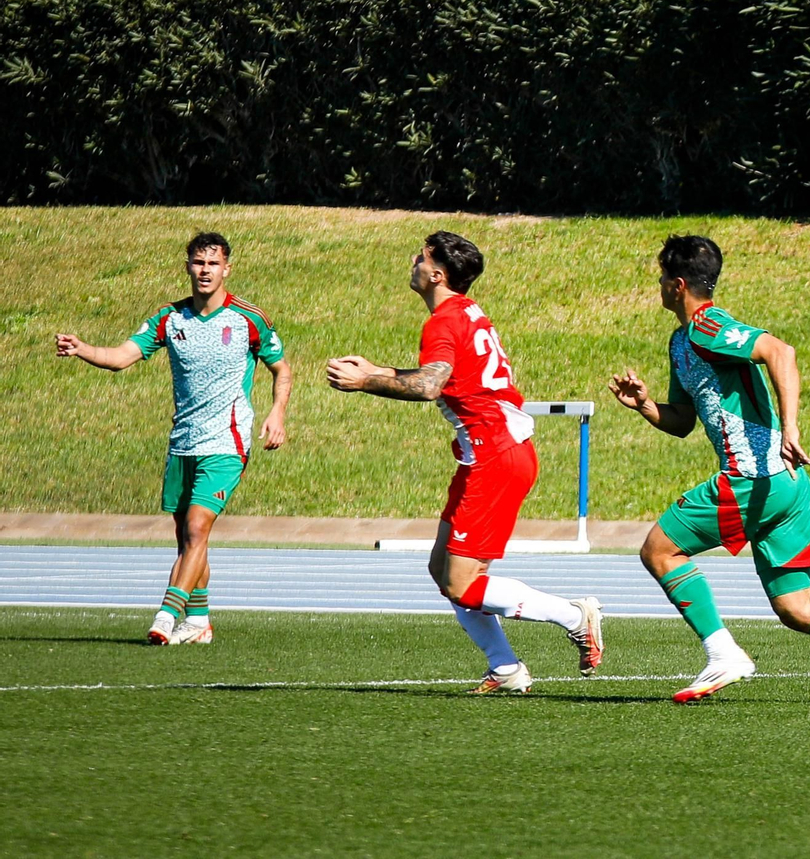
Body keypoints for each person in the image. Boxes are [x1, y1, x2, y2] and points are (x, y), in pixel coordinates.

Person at [609, 234, 810, 705]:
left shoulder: (708, 326)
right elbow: (682, 421)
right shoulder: (681, 341)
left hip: (754, 478)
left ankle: (723, 654)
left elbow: (780, 352)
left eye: (663, 278)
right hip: (786, 487)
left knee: (660, 551)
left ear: (678, 285)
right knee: (796, 608)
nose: (659, 286)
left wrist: (791, 428)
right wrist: (645, 406)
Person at [326, 231, 602, 693]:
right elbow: (453, 379)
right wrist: (379, 369)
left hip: (496, 454)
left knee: (460, 583)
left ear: (436, 274)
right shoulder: (466, 313)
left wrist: (366, 383)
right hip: (488, 453)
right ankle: (506, 668)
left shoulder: (441, 322)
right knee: (442, 571)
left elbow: (431, 385)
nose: (413, 261)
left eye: (421, 257)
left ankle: (575, 615)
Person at [55, 232, 292, 645]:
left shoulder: (249, 319)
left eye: (213, 263)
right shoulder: (170, 318)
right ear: (187, 267)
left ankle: (167, 614)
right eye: (198, 262)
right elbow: (120, 357)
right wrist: (83, 348)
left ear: (226, 269)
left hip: (227, 442)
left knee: (198, 529)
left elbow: (282, 369)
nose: (205, 270)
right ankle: (198, 621)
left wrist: (277, 414)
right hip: (183, 442)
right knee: (187, 536)